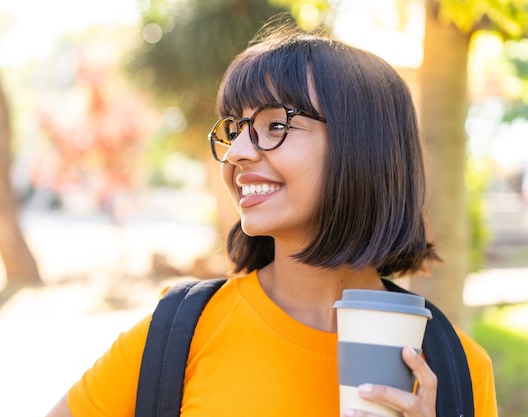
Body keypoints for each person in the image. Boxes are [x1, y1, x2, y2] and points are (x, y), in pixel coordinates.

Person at [45, 20, 497, 417]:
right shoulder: (180, 333)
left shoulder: (457, 369)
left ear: (364, 147)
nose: (238, 153)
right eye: (234, 128)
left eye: (275, 125)